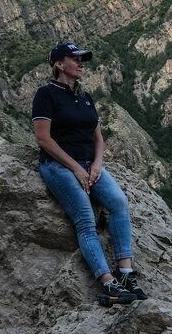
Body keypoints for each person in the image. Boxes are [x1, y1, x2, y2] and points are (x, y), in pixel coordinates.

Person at [32, 41, 148, 306]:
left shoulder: (84, 97)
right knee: (85, 218)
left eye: (82, 59)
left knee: (118, 202)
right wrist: (75, 167)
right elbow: (43, 139)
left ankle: (126, 273)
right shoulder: (45, 94)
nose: (81, 63)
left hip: (89, 164)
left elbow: (99, 138)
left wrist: (97, 164)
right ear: (59, 64)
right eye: (75, 59)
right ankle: (108, 283)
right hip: (58, 166)